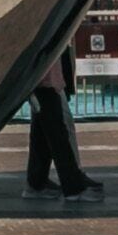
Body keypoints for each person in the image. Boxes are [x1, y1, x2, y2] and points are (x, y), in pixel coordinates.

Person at [23, 46, 103, 209]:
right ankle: (73, 188)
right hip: (44, 80)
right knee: (58, 134)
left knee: (42, 135)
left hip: (43, 79)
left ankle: (36, 183)